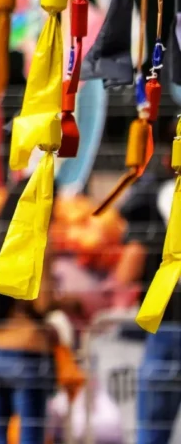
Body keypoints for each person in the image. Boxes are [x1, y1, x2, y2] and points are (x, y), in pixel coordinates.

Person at [0, 180, 58, 444]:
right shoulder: (38, 242)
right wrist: (65, 301)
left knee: (0, 437)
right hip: (27, 350)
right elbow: (42, 303)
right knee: (30, 437)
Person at [117, 164, 181, 444]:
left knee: (152, 433)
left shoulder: (159, 193)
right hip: (166, 325)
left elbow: (127, 269)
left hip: (167, 325)